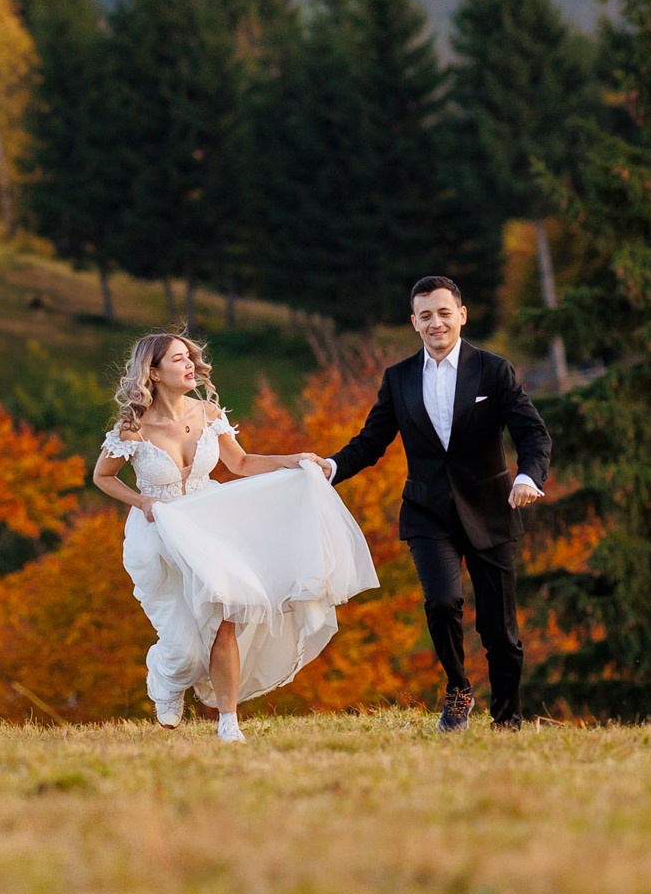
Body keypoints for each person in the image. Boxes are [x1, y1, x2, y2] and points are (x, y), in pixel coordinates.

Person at [93, 332, 378, 742]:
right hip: (159, 537)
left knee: (224, 619)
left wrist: (292, 461)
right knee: (185, 651)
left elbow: (240, 462)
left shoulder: (208, 413)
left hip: (210, 526)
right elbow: (103, 477)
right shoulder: (134, 427)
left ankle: (229, 723)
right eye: (178, 359)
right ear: (153, 372)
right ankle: (166, 680)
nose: (190, 363)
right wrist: (141, 502)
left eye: (190, 356)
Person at [322, 276, 551, 732]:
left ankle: (507, 720)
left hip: (491, 510)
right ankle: (459, 689)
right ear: (414, 322)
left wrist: (528, 475)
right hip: (428, 513)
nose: (436, 322)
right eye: (426, 315)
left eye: (444, 312)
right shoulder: (399, 378)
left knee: (499, 632)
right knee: (442, 602)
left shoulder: (493, 371)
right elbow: (371, 443)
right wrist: (329, 468)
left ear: (461, 315)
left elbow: (533, 434)